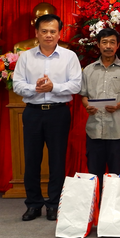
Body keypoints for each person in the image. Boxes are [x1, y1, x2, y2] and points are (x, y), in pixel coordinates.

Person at [13, 14, 82, 221]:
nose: (48, 35)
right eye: (44, 31)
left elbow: (76, 85)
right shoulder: (25, 57)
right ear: (36, 33)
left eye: (53, 31)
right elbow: (17, 85)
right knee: (32, 160)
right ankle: (33, 204)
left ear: (59, 33)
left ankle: (54, 204)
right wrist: (34, 88)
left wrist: (55, 87)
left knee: (57, 160)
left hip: (58, 112)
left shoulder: (69, 57)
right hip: (33, 113)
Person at [80, 28, 120, 190]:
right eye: (104, 42)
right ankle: (96, 210)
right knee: (94, 174)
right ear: (98, 45)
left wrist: (118, 105)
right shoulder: (89, 70)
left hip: (118, 130)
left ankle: (116, 211)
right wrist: (87, 106)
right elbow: (83, 96)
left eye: (112, 42)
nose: (108, 46)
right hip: (94, 130)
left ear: (118, 45)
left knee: (117, 174)